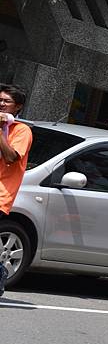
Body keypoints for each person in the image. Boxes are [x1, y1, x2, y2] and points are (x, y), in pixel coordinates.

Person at [0, 84, 33, 295]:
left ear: (17, 107)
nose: (1, 104)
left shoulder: (22, 131)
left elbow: (11, 157)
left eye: (6, 101)